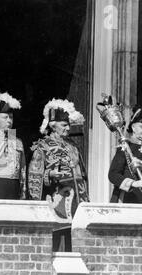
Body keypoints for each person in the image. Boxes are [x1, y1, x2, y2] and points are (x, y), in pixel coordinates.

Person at [28, 98, 88, 252]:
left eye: (68, 124)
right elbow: (34, 176)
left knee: (75, 242)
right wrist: (49, 174)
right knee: (57, 243)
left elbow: (82, 174)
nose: (68, 128)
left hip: (77, 200)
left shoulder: (73, 146)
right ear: (53, 125)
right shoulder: (43, 146)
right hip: (57, 199)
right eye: (64, 125)